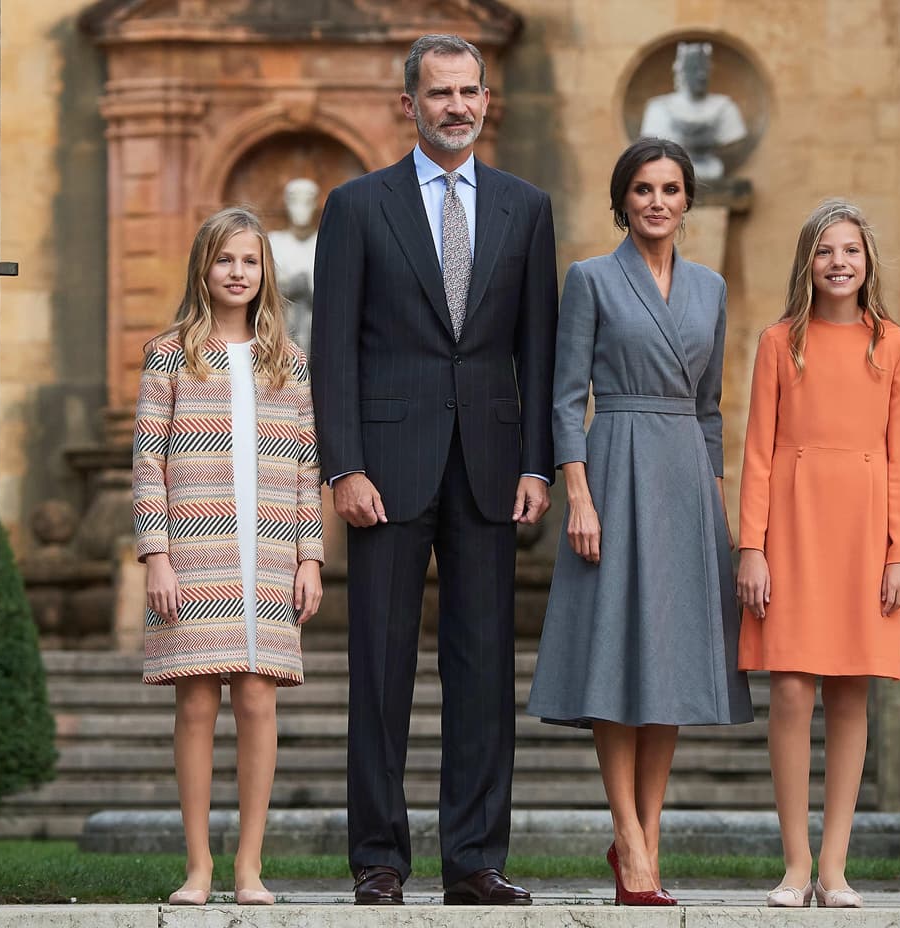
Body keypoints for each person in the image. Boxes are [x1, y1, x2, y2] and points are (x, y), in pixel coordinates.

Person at [310, 34, 557, 906]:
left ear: (487, 101)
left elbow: (540, 345)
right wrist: (342, 464)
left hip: (492, 470)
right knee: (379, 669)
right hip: (386, 469)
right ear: (408, 105)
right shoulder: (357, 205)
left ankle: (475, 862)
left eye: (469, 92)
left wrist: (539, 465)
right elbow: (330, 346)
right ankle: (378, 860)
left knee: (484, 669)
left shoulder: (527, 208)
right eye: (439, 93)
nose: (457, 106)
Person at [527, 137, 753, 906]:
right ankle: (626, 830)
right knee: (617, 656)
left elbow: (714, 407)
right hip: (615, 463)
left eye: (670, 189)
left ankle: (646, 841)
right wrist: (578, 494)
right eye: (644, 189)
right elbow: (564, 397)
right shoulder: (589, 279)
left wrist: (714, 503)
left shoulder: (712, 288)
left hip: (686, 474)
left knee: (674, 666)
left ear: (689, 201)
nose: (657, 202)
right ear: (622, 200)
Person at [133, 206, 325, 907]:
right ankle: (199, 867)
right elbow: (147, 462)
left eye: (249, 261)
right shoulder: (169, 355)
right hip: (197, 550)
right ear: (203, 269)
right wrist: (157, 554)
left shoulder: (289, 362)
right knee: (195, 704)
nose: (238, 273)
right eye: (225, 261)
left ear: (264, 270)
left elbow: (307, 469)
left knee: (257, 699)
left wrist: (311, 558)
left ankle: (249, 867)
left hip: (270, 554)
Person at [736, 198, 900, 908]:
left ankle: (836, 869)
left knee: (851, 691)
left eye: (850, 250)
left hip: (867, 530)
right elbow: (757, 452)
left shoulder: (894, 345)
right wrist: (751, 547)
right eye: (824, 251)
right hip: (793, 524)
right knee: (789, 690)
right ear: (806, 264)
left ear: (867, 262)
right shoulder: (781, 342)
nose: (838, 262)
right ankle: (793, 864)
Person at [639, 42, 746, 182]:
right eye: (694, 69)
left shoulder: (725, 108)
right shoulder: (660, 108)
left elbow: (734, 142)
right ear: (682, 71)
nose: (701, 75)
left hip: (712, 169)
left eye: (705, 68)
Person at [267, 178, 319, 355]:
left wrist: (307, 286)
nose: (300, 207)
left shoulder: (324, 242)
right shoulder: (275, 242)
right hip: (281, 330)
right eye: (294, 200)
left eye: (307, 200)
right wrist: (289, 286)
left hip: (317, 330)